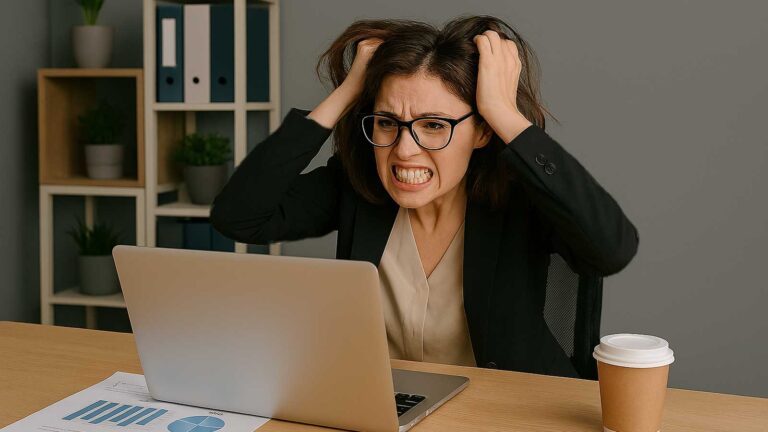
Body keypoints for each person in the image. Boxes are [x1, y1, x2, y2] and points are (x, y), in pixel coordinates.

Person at [210, 15, 639, 378]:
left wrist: (505, 114)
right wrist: (347, 94)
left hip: (501, 411)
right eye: (387, 122)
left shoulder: (520, 197)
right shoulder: (360, 187)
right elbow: (238, 216)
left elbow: (612, 248)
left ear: (482, 131)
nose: (404, 150)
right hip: (387, 405)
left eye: (434, 125)